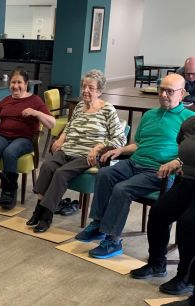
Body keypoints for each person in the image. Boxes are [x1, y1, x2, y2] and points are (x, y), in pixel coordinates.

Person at [75, 73, 195, 259]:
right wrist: (120, 150)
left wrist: (177, 162)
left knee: (122, 189)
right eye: (161, 89)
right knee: (104, 174)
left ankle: (113, 241)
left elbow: (191, 152)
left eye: (169, 91)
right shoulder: (149, 115)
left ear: (182, 94)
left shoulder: (189, 119)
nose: (163, 94)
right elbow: (138, 144)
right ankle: (98, 224)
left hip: (157, 171)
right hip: (134, 162)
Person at [26, 70, 126, 233]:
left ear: (99, 91)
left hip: (86, 155)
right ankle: (39, 209)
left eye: (91, 88)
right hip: (67, 149)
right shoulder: (79, 106)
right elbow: (71, 125)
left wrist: (98, 147)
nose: (86, 90)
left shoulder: (108, 109)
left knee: (60, 173)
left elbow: (120, 139)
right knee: (47, 167)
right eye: (84, 86)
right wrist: (61, 138)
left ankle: (46, 216)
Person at [130, 115, 195, 295]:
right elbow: (184, 149)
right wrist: (178, 161)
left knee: (188, 223)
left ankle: (186, 278)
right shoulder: (189, 124)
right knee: (159, 212)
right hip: (188, 182)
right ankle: (157, 263)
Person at [0, 69, 55, 210]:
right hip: (3, 136)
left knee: (9, 153)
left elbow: (51, 123)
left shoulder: (35, 100)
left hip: (25, 139)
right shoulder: (6, 100)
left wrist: (36, 113)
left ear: (26, 84)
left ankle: (9, 194)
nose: (16, 86)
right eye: (13, 82)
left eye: (19, 82)